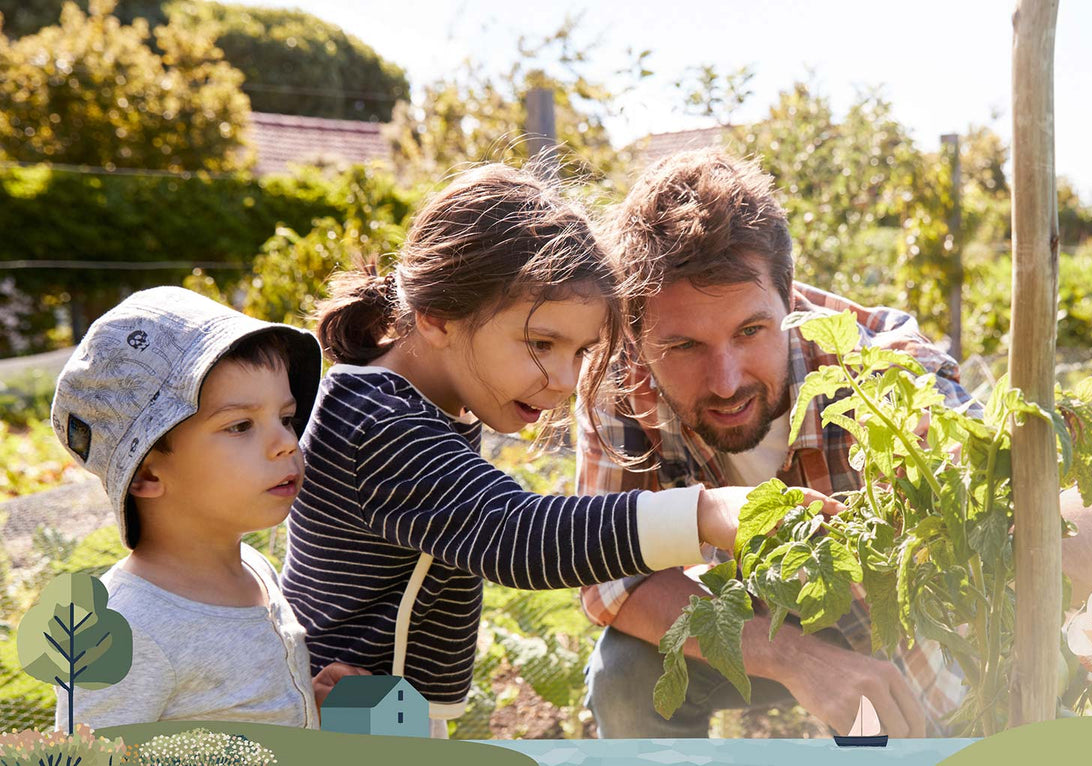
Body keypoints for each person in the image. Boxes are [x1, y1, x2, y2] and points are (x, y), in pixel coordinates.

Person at [576, 149, 1092, 738]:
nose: (726, 380)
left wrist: (988, 517)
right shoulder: (619, 387)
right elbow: (610, 579)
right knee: (626, 676)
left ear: (789, 297)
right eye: (685, 347)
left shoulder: (874, 365)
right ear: (636, 333)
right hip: (756, 618)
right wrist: (798, 660)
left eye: (750, 331)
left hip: (904, 633)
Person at [280, 162, 836, 739]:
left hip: (378, 708)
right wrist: (706, 513)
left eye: (580, 352)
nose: (565, 380)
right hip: (341, 714)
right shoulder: (381, 422)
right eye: (541, 343)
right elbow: (515, 534)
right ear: (438, 316)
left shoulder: (425, 405)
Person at [48, 286, 326, 730]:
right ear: (146, 475)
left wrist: (306, 706)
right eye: (240, 425)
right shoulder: (123, 633)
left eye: (286, 418)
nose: (287, 443)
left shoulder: (254, 569)